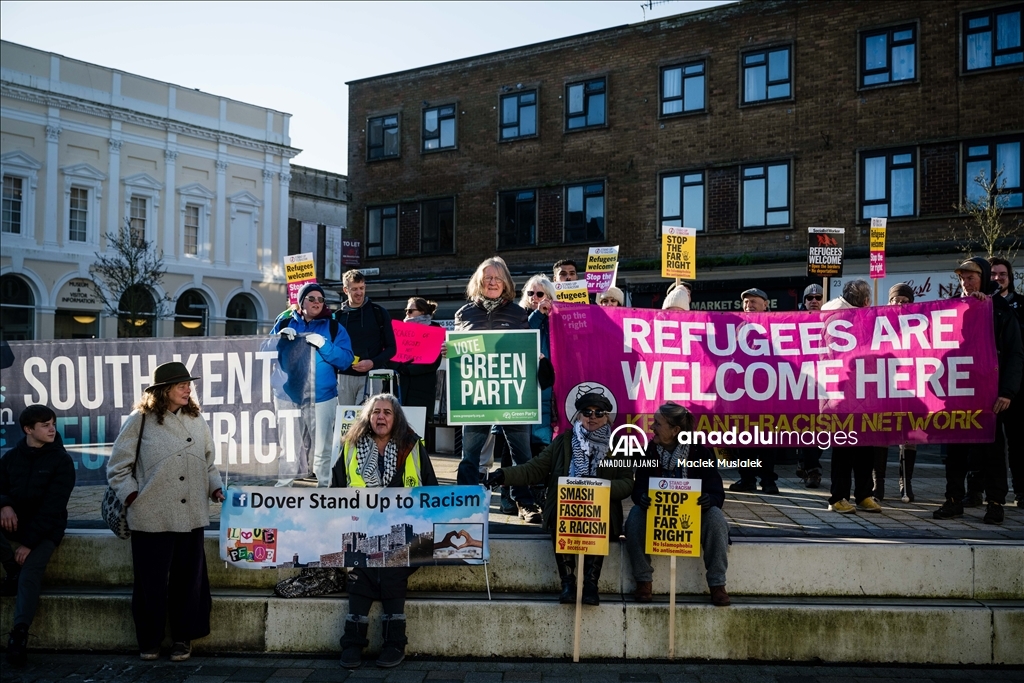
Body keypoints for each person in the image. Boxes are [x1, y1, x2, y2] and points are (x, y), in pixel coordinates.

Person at [106, 362, 225, 662]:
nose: (188, 389)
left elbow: (209, 462)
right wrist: (134, 496)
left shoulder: (197, 419)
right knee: (151, 585)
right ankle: (150, 640)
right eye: (181, 385)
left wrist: (216, 488)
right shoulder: (140, 420)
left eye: (189, 384)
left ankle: (183, 639)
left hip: (192, 515)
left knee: (189, 581)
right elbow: (118, 467)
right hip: (152, 515)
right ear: (164, 390)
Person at [486, 392, 633, 606]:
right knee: (560, 514)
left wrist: (600, 489)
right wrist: (504, 475)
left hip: (600, 512)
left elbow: (628, 482)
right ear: (579, 415)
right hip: (567, 509)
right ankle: (568, 583)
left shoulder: (618, 445)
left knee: (597, 515)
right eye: (587, 412)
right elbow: (535, 468)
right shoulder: (564, 442)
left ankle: (591, 584)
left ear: (607, 416)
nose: (592, 417)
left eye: (599, 412)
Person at [332, 394, 438, 669]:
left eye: (387, 413)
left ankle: (394, 643)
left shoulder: (412, 446)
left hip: (405, 532)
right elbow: (335, 491)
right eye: (376, 412)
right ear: (369, 417)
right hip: (361, 529)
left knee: (391, 565)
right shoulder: (350, 446)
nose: (381, 417)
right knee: (361, 566)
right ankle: (353, 643)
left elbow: (433, 488)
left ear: (396, 418)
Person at [454, 257, 543, 524]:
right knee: (470, 453)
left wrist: (535, 357)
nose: (492, 282)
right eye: (487, 277)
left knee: (522, 454)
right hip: (476, 395)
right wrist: (451, 351)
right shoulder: (464, 313)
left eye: (497, 278)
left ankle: (524, 503)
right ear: (478, 282)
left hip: (512, 394)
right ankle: (464, 501)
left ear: (506, 283)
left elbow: (525, 350)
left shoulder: (518, 314)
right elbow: (460, 352)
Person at [935, 258, 1023, 524]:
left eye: (971, 277)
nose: (965, 282)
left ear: (983, 278)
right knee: (955, 451)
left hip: (989, 395)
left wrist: (1007, 392)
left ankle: (995, 503)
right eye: (962, 278)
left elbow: (1015, 353)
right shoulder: (950, 309)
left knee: (993, 452)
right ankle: (953, 499)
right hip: (958, 392)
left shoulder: (999, 310)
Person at [624, 403, 730, 607]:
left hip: (691, 519)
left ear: (675, 430)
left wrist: (709, 499)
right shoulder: (650, 451)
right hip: (659, 519)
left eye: (657, 423)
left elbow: (718, 492)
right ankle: (643, 581)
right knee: (635, 516)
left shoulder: (700, 453)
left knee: (716, 517)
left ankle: (718, 584)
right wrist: (642, 497)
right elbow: (638, 490)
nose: (652, 427)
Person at [0, 405, 75, 668]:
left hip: (47, 529)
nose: (52, 428)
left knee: (30, 572)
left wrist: (28, 544)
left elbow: (53, 509)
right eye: (44, 425)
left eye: (53, 423)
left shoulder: (62, 461)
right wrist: (4, 504)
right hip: (15, 523)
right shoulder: (11, 457)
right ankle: (11, 569)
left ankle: (19, 634)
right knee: (21, 570)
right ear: (28, 429)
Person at [271, 282, 355, 486]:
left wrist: (325, 345)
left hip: (322, 397)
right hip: (287, 396)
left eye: (320, 299)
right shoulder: (284, 322)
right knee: (289, 448)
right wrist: (277, 340)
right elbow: (263, 353)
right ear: (301, 302)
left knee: (322, 450)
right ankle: (282, 492)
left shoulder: (334, 327)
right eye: (311, 298)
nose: (317, 302)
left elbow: (345, 360)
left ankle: (324, 491)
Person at [820, 280, 882, 514]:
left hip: (859, 390)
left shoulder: (836, 316)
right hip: (844, 391)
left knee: (864, 446)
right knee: (846, 447)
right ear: (866, 301)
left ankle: (863, 495)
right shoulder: (843, 319)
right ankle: (839, 497)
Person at [730, 288, 781, 495]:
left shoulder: (776, 325)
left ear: (766, 304)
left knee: (766, 438)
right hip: (742, 391)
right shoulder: (736, 326)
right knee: (744, 439)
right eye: (746, 302)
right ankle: (747, 478)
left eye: (754, 301)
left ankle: (768, 480)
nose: (748, 304)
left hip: (767, 391)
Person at [334, 270, 398, 405]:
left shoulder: (378, 312)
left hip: (372, 375)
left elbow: (392, 348)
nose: (359, 292)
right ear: (345, 290)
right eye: (355, 289)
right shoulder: (338, 317)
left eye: (362, 288)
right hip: (343, 377)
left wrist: (373, 362)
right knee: (346, 421)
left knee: (365, 420)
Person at [990, 256, 1023, 507]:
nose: (997, 278)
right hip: (987, 386)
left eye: (1002, 274)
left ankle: (1021, 492)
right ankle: (984, 493)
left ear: (1010, 277)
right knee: (988, 444)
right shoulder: (982, 306)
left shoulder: (1021, 305)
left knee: (1018, 442)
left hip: (1016, 387)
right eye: (992, 274)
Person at [886, 283, 919, 503]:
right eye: (896, 300)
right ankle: (876, 483)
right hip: (883, 385)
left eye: (905, 301)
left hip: (910, 387)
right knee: (878, 432)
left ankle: (905, 482)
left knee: (909, 436)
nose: (900, 305)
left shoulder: (919, 324)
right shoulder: (877, 321)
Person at [391, 297, 443, 423]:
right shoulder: (398, 330)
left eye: (410, 311)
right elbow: (389, 352)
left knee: (420, 434)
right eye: (406, 310)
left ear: (422, 312)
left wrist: (408, 370)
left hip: (421, 390)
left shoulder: (435, 330)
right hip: (399, 389)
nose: (406, 314)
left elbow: (433, 362)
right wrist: (398, 367)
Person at [794, 284, 825, 488]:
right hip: (802, 383)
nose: (814, 300)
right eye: (809, 297)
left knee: (824, 430)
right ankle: (812, 469)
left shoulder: (832, 321)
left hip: (825, 384)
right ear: (803, 302)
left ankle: (807, 464)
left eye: (818, 296)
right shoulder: (794, 322)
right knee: (805, 428)